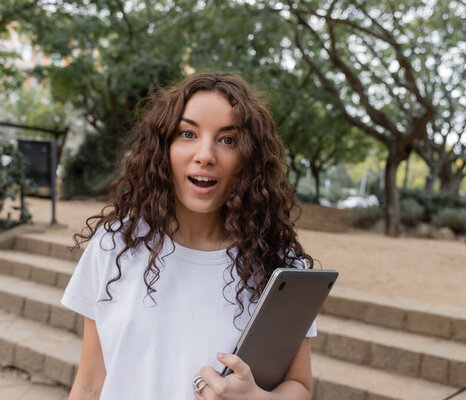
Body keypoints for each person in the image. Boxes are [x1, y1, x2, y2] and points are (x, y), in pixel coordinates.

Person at [61, 72, 316, 400]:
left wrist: (256, 398)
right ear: (162, 148)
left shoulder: (279, 265)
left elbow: (301, 387)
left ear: (249, 159)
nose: (205, 155)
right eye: (187, 133)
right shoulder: (114, 245)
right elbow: (90, 383)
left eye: (228, 140)